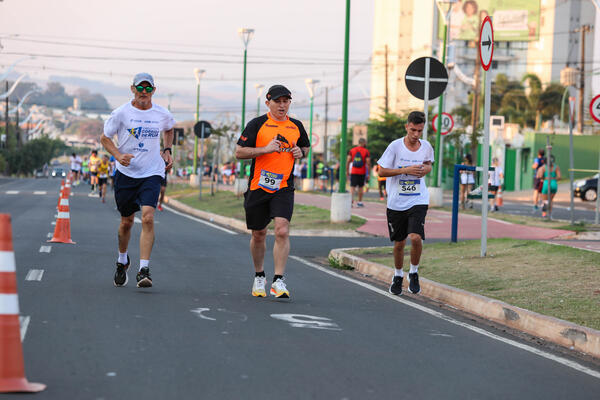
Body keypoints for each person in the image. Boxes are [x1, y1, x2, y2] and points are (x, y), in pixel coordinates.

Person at [100, 72, 175, 288]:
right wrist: (117, 155)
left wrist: (167, 149)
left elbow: (169, 128)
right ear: (132, 89)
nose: (144, 92)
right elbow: (105, 138)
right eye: (140, 88)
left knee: (148, 217)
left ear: (153, 90)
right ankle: (122, 260)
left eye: (148, 88)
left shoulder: (162, 113)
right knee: (127, 222)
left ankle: (144, 269)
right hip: (126, 173)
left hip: (152, 172)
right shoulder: (122, 113)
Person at [235, 84, 310, 299]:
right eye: (278, 101)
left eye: (286, 101)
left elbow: (305, 147)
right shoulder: (257, 124)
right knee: (259, 234)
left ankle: (278, 280)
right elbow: (239, 151)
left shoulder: (296, 126)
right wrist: (265, 149)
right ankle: (259, 276)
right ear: (268, 103)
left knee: (282, 230)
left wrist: (300, 152)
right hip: (258, 186)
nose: (282, 105)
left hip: (283, 186)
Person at [377, 111, 434, 296]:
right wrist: (405, 170)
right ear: (406, 127)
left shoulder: (426, 146)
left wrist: (425, 169)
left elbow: (428, 164)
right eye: (413, 130)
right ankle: (398, 275)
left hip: (418, 199)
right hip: (396, 202)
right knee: (399, 243)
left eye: (419, 131)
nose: (416, 134)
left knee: (416, 237)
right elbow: (382, 172)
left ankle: (414, 272)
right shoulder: (395, 147)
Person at [347, 138, 371, 207]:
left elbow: (348, 161)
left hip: (353, 171)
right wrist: (368, 173)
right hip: (362, 172)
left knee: (352, 187)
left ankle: (351, 202)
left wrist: (347, 171)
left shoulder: (352, 150)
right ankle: (359, 202)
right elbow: (368, 162)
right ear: (363, 143)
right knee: (361, 187)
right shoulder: (366, 151)